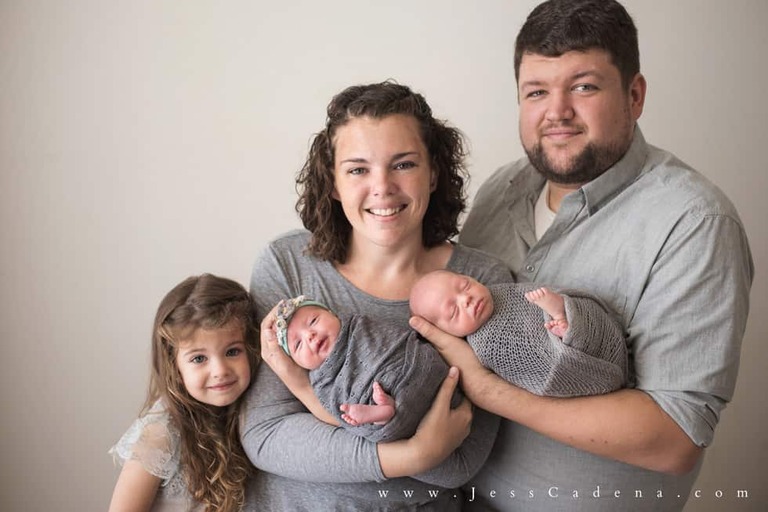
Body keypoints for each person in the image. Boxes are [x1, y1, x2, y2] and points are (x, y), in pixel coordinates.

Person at [409, 1, 754, 511]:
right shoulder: (500, 189)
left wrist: (488, 390)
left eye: (584, 86)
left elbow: (676, 438)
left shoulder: (694, 222)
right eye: (536, 92)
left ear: (634, 96)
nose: (557, 112)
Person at [240, 80, 513, 510]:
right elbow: (268, 435)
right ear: (332, 182)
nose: (382, 187)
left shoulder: (479, 283)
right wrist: (415, 453)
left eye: (403, 164)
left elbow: (460, 462)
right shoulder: (287, 264)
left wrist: (313, 405)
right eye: (357, 169)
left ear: (434, 172)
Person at [108, 274, 260, 512]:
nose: (220, 371)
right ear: (174, 366)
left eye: (232, 351)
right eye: (199, 358)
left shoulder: (251, 410)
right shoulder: (162, 432)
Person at [269, 295, 463, 442]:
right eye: (298, 345)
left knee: (425, 362)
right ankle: (380, 413)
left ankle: (384, 409)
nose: (310, 335)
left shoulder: (359, 325)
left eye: (313, 321)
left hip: (410, 367)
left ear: (332, 314)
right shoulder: (322, 383)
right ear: (298, 363)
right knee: (352, 412)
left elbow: (395, 339)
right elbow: (337, 410)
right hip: (390, 417)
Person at [410, 270, 628, 396]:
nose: (466, 299)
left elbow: (540, 293)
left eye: (465, 286)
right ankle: (564, 326)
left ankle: (565, 316)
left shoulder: (501, 291)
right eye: (454, 311)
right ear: (446, 333)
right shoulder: (486, 345)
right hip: (570, 358)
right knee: (560, 342)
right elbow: (538, 371)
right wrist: (558, 342)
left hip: (597, 331)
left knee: (568, 307)